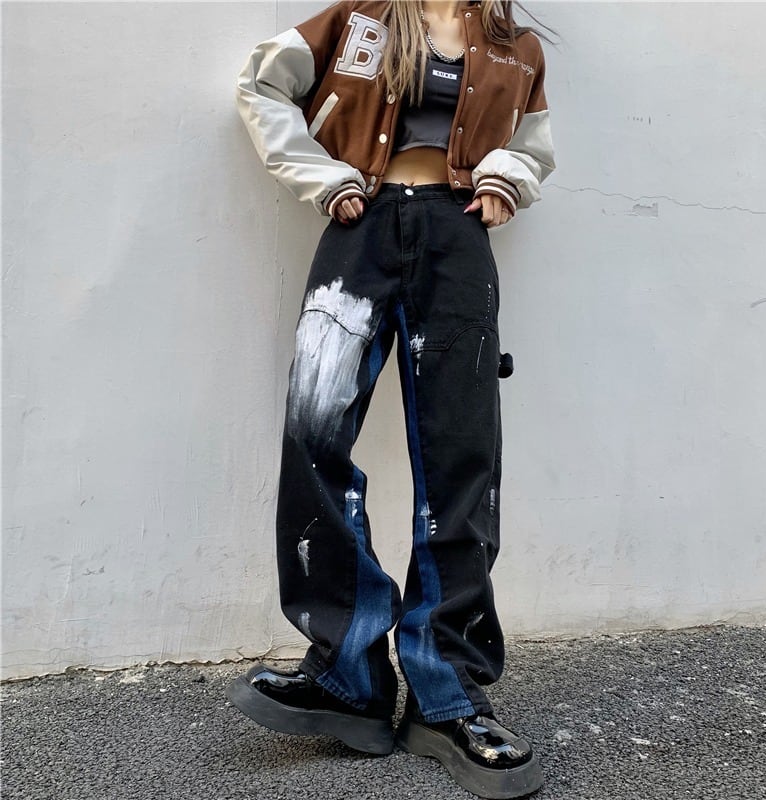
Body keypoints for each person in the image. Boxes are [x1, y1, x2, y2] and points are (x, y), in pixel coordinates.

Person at [226, 1, 555, 797]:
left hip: (457, 240)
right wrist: (324, 176)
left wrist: (508, 180)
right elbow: (261, 85)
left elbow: (532, 143)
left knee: (461, 458)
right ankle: (350, 674)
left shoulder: (515, 45)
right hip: (360, 230)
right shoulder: (359, 18)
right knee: (315, 434)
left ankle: (447, 694)